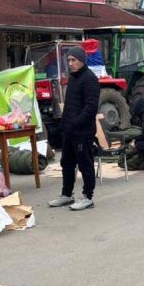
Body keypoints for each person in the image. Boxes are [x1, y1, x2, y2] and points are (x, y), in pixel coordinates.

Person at [49, 46, 99, 211]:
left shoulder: (89, 79)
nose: (70, 63)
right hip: (70, 131)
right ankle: (67, 194)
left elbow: (90, 108)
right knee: (67, 163)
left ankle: (87, 197)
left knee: (85, 164)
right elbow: (71, 105)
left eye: (73, 60)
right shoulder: (74, 78)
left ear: (81, 60)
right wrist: (63, 125)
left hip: (83, 131)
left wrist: (75, 123)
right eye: (68, 60)